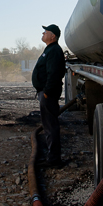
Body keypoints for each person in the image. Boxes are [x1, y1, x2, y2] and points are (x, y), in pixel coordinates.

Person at [32, 24, 65, 167]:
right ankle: (51, 157)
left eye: (46, 32)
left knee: (51, 126)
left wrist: (46, 92)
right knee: (48, 126)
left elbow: (54, 74)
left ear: (53, 36)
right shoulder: (50, 50)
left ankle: (53, 160)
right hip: (46, 94)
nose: (43, 33)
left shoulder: (54, 51)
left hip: (48, 95)